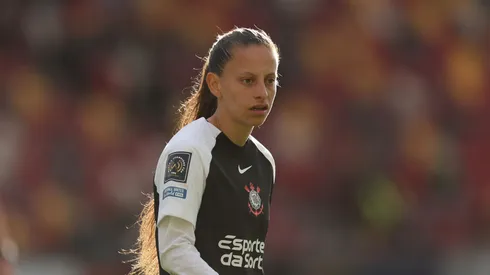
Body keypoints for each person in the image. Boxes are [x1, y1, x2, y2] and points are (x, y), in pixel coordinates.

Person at [129, 27, 280, 275]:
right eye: (248, 81)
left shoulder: (265, 161)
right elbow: (174, 251)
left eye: (270, 80)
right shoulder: (189, 151)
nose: (262, 93)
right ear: (215, 84)